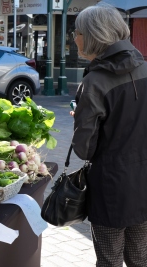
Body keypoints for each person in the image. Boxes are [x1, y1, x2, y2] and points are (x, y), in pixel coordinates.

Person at [71, 4, 147, 266]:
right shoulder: (145, 68)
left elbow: (84, 149)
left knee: (109, 260)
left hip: (111, 188)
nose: (74, 37)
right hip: (143, 183)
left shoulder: (95, 82)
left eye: (76, 31)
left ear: (92, 35)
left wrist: (81, 120)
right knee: (140, 257)